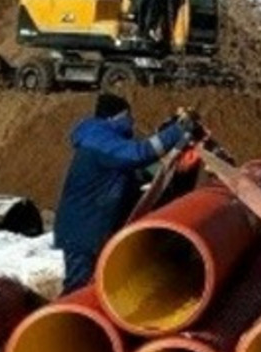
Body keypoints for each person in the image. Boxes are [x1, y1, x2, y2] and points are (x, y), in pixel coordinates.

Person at [54, 93, 193, 293]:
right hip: (85, 231)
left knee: (97, 286)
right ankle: (64, 322)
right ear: (117, 116)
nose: (132, 122)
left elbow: (138, 170)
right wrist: (177, 131)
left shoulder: (103, 138)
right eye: (129, 116)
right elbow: (138, 154)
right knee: (79, 289)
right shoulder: (99, 139)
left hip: (93, 227)